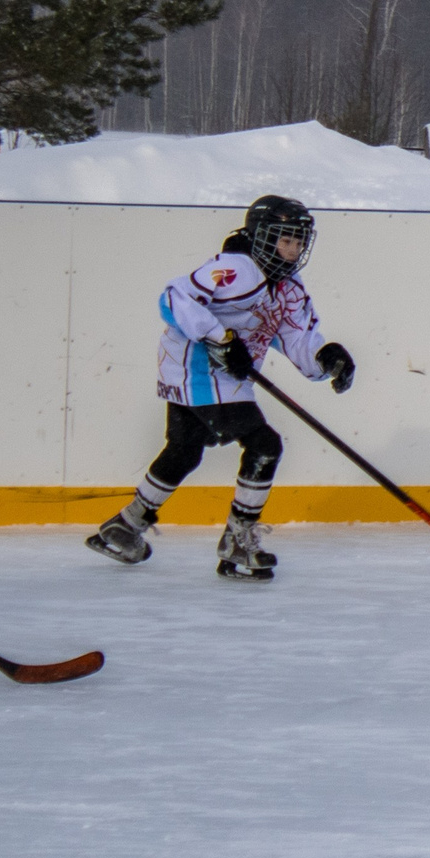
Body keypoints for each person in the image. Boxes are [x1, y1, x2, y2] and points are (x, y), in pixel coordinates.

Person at [86, 195, 356, 581]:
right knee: (265, 444)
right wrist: (219, 337)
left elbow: (298, 338)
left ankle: (125, 526)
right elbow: (173, 298)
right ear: (261, 236)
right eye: (284, 239)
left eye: (298, 241)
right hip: (195, 365)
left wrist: (327, 358)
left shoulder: (290, 288)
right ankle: (237, 542)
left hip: (221, 373)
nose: (293, 249)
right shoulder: (236, 270)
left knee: (184, 450)